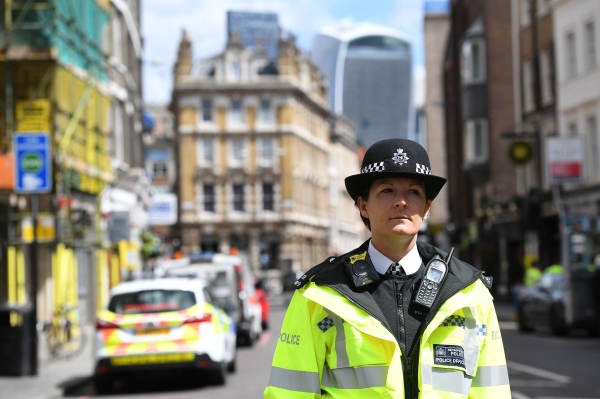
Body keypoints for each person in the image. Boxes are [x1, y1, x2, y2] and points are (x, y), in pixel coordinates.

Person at [264, 139, 510, 399]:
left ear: (426, 208)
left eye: (414, 192)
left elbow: (492, 392)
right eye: (387, 190)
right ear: (363, 206)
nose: (401, 202)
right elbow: (288, 394)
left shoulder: (470, 293)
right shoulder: (319, 295)